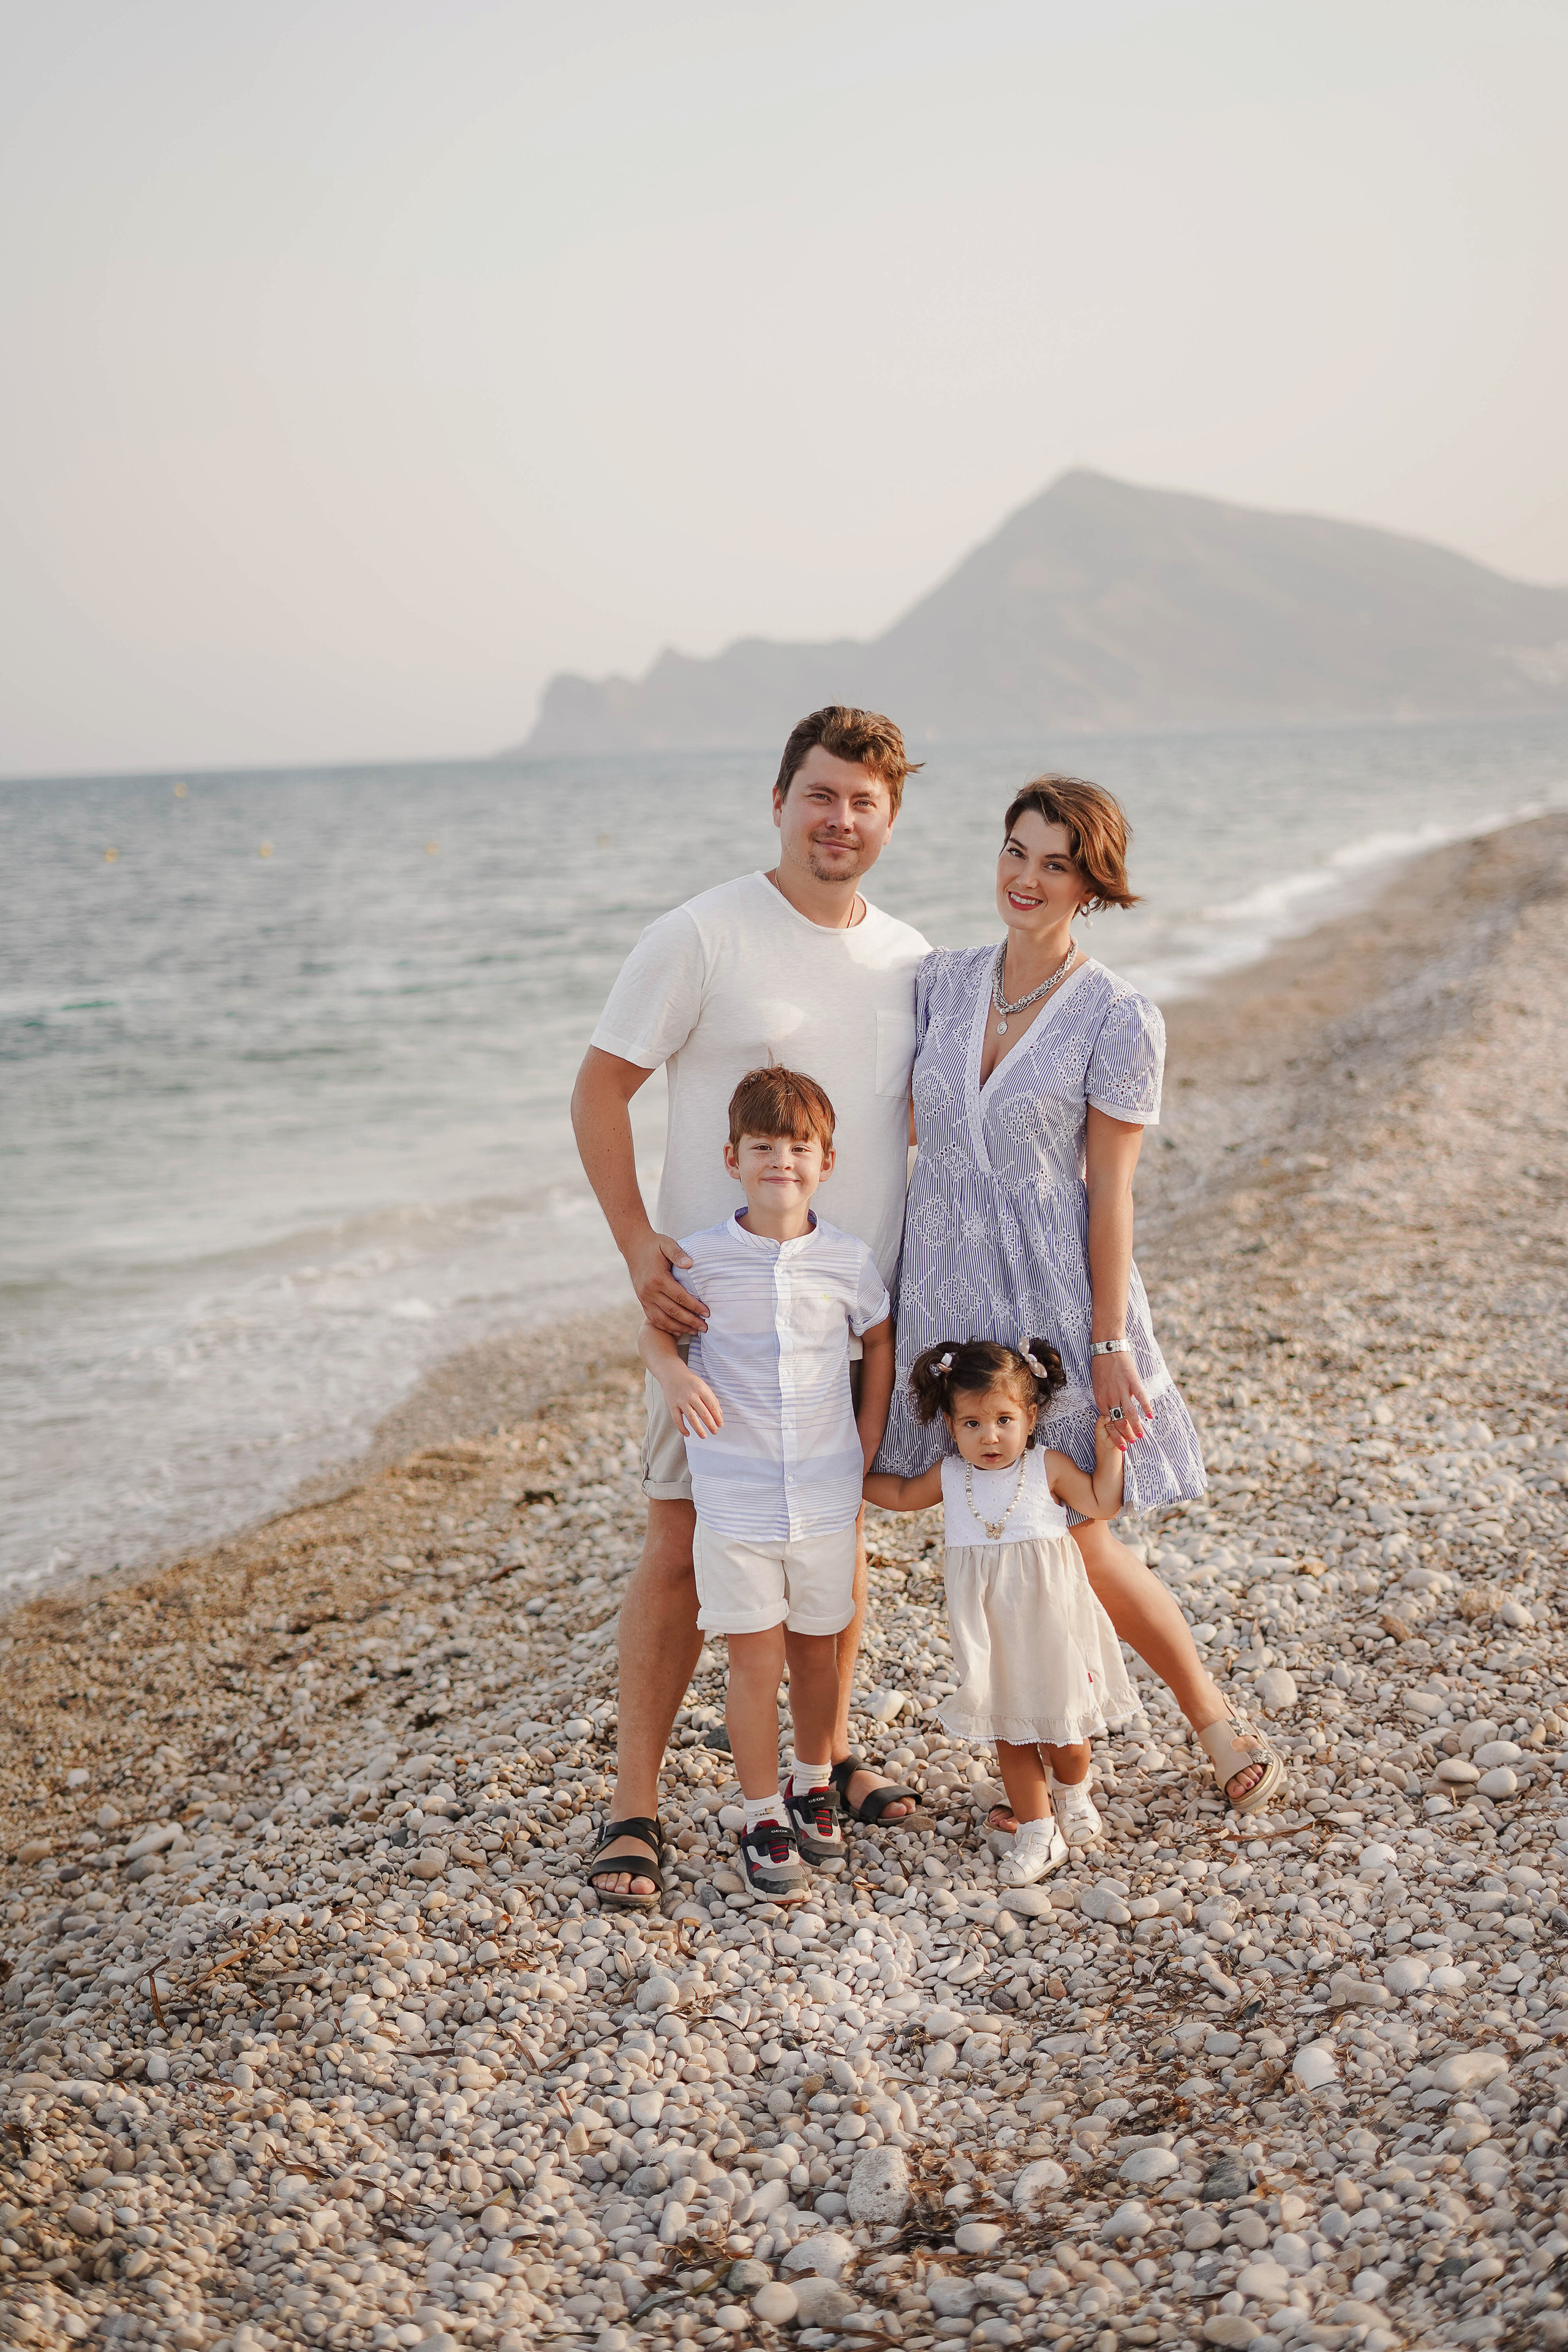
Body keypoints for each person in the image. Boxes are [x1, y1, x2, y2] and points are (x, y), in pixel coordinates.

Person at [571, 706, 929, 1906]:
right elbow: (596, 1093)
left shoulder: (912, 959)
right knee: (680, 1544)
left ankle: (819, 1762)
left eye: (863, 801)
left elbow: (915, 1138)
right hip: (713, 1315)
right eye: (818, 795)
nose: (838, 820)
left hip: (844, 1307)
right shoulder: (702, 935)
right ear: (777, 801)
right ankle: (635, 1802)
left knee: (833, 1537)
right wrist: (637, 1255)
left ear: (889, 817)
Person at [876, 773, 1286, 1818]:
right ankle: (1048, 1748)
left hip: (1053, 1301)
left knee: (1083, 1532)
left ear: (1090, 882)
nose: (1028, 878)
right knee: (992, 1524)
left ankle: (1208, 1718)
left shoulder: (1117, 1016)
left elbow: (1111, 1193)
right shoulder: (941, 982)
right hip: (942, 1291)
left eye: (1055, 862)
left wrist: (1108, 1345)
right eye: (1017, 851)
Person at [636, 1068, 895, 1902]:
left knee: (819, 1654)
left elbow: (880, 1342)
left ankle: (812, 1780)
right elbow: (654, 1333)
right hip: (735, 1502)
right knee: (755, 1661)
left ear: (825, 1161)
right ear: (732, 1158)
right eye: (763, 1148)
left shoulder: (846, 1261)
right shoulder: (703, 1260)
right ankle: (759, 1813)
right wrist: (673, 1377)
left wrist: (868, 1436)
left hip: (825, 1494)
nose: (780, 1161)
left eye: (798, 1148)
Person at [865, 1338, 1134, 1884]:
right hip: (989, 1629)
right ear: (949, 1425)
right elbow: (895, 1492)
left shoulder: (1046, 1467)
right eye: (970, 1424)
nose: (989, 1437)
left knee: (1067, 1733)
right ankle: (1038, 1831)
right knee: (1008, 1728)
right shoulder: (948, 1477)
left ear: (1030, 1417)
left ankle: (1072, 1790)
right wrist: (843, 1476)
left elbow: (1103, 1502)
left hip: (1053, 1622)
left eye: (1003, 1420)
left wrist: (1111, 1450)